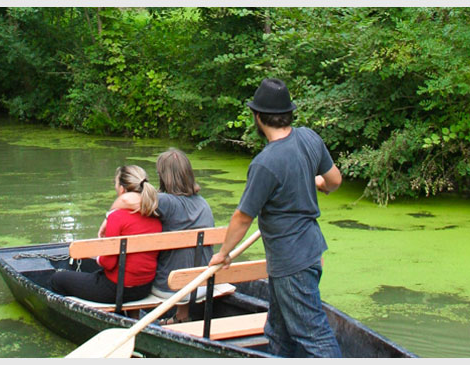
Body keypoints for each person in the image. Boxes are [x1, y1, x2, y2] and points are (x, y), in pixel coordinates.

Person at [207, 78, 343, 358]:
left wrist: (224, 253)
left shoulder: (265, 163)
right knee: (278, 332)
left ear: (258, 117)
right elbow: (335, 181)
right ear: (288, 113)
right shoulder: (309, 137)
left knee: (313, 335)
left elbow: (243, 217)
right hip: (311, 253)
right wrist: (319, 184)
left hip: (291, 263)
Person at [98, 148, 216, 324]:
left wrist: (108, 219)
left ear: (163, 176)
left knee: (136, 268)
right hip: (202, 285)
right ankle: (181, 316)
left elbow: (125, 200)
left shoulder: (166, 202)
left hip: (170, 286)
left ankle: (134, 319)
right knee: (187, 256)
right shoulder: (203, 203)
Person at [50, 165, 162, 304]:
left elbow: (108, 263)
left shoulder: (117, 217)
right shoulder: (156, 216)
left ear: (121, 189)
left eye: (115, 183)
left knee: (58, 279)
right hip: (143, 289)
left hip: (116, 289)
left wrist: (97, 256)